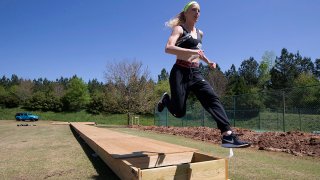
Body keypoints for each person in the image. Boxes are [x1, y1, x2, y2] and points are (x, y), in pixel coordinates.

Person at [158, 1, 250, 148]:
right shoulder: (179, 29)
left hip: (195, 72)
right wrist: (191, 52)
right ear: (186, 13)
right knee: (179, 112)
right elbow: (168, 48)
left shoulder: (200, 33)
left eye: (199, 11)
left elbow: (198, 52)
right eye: (194, 10)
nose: (197, 13)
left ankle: (227, 135)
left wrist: (208, 61)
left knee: (212, 98)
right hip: (179, 73)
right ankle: (166, 100)